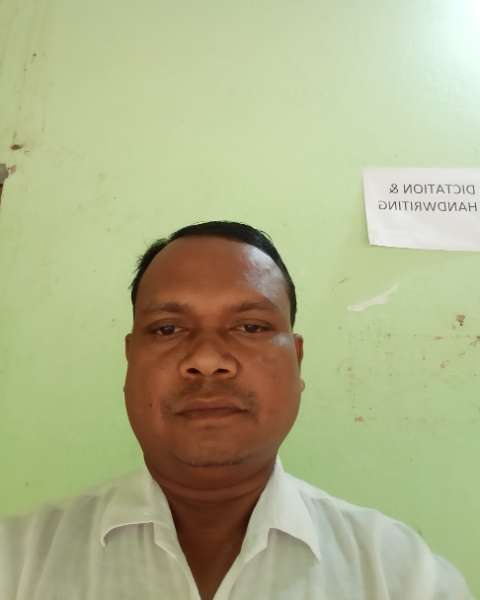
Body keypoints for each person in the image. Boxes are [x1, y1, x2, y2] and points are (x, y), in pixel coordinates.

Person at [0, 221, 474, 600]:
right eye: (167, 329)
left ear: (297, 361)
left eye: (250, 327)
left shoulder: (402, 577)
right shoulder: (16, 563)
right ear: (129, 361)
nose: (207, 359)